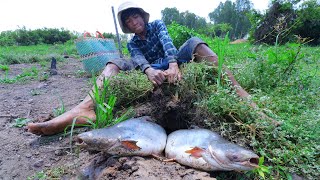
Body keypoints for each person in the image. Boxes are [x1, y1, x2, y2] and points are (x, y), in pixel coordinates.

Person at [27, 1, 254, 135]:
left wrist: (174, 64)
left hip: (171, 59)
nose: (133, 22)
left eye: (135, 16)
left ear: (142, 16)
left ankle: (241, 93)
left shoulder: (157, 25)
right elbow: (136, 57)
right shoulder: (132, 41)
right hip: (149, 68)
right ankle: (84, 108)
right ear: (127, 26)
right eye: (128, 21)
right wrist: (149, 71)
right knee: (114, 62)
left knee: (196, 42)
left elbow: (167, 43)